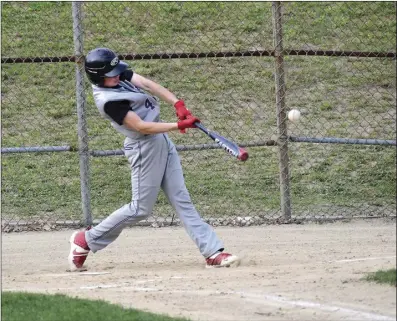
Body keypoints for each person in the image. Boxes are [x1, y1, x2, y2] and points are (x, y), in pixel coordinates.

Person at [68, 47, 240, 271]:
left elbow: (148, 84)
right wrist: (178, 126)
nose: (118, 76)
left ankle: (213, 252)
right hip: (143, 147)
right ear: (99, 78)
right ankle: (85, 241)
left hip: (161, 142)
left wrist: (177, 103)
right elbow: (141, 126)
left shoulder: (118, 76)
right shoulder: (108, 101)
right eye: (112, 75)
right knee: (139, 208)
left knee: (181, 198)